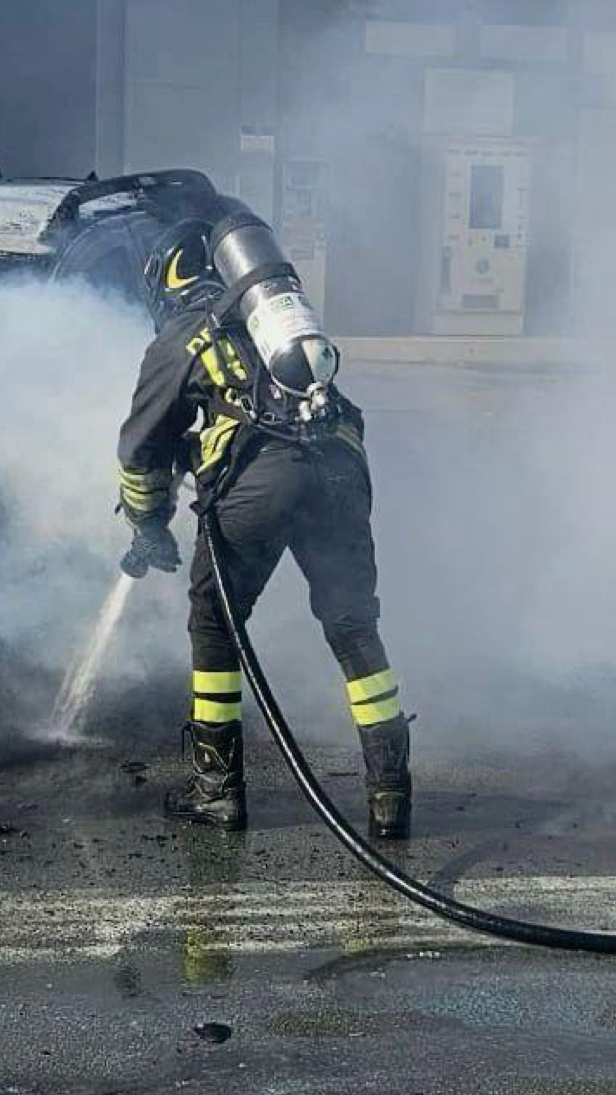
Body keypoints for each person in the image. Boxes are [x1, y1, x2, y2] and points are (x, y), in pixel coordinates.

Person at [115, 217, 412, 838]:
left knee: (216, 624)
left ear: (165, 283)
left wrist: (147, 525)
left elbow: (141, 452)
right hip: (340, 467)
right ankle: (390, 797)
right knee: (353, 624)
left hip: (263, 480)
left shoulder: (181, 338)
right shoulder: (270, 322)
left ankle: (216, 789)